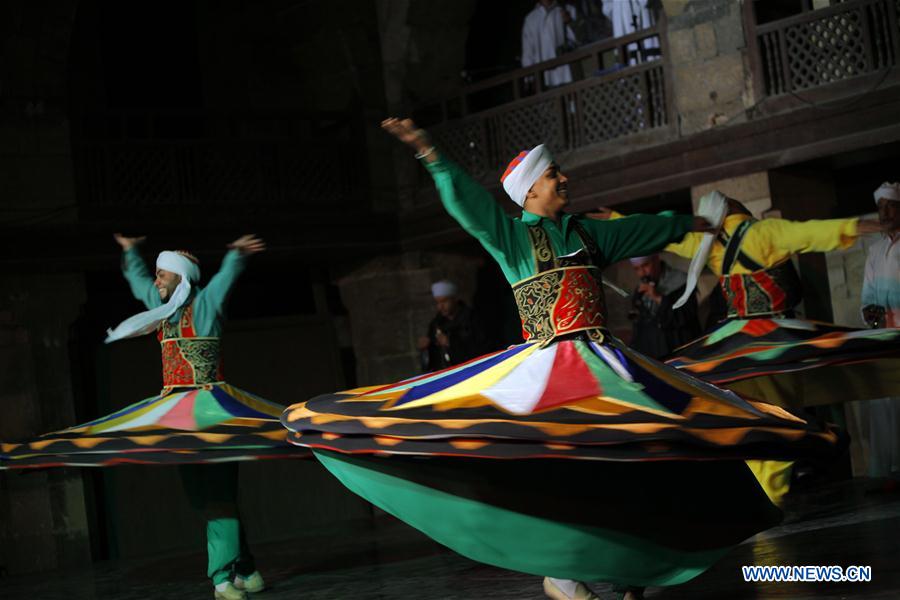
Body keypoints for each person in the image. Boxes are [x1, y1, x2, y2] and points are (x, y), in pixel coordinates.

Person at [281, 118, 838, 600]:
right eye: (553, 176)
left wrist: (688, 225)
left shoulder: (586, 233)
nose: (563, 179)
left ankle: (633, 562)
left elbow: (641, 229)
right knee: (564, 463)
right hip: (549, 364)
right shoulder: (512, 237)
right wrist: (431, 154)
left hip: (604, 362)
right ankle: (564, 573)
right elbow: (468, 204)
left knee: (641, 450)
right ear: (530, 193)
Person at [1, 234, 285, 600]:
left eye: (161, 275)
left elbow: (223, 281)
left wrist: (235, 255)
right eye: (156, 275)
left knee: (218, 499)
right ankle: (247, 570)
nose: (156, 282)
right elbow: (138, 284)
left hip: (214, 414)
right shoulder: (161, 309)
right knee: (207, 500)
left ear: (180, 278)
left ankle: (222, 580)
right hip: (177, 417)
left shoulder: (206, 304)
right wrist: (130, 252)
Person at [856, 182, 900, 483]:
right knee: (884, 402)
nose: (884, 213)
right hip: (885, 338)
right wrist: (869, 312)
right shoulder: (875, 251)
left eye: (890, 206)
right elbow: (867, 297)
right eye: (880, 208)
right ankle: (888, 471)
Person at [627, 254, 701, 358]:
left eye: (646, 265)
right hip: (653, 357)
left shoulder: (682, 282)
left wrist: (658, 297)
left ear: (656, 259)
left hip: (680, 353)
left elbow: (686, 315)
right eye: (637, 269)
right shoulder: (640, 290)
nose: (642, 273)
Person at [418, 280, 489, 371]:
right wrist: (427, 346)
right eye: (437, 303)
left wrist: (450, 342)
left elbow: (481, 347)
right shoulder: (436, 323)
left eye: (444, 301)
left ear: (454, 299)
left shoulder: (472, 318)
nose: (440, 307)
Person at [522, 0, 579, 88]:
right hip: (545, 79)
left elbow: (578, 40)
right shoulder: (530, 19)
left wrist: (570, 22)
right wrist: (529, 78)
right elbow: (528, 54)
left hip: (568, 73)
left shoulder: (568, 10)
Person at [602, 0, 660, 65]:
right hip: (621, 10)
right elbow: (607, 6)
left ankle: (652, 63)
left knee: (648, 45)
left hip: (640, 8)